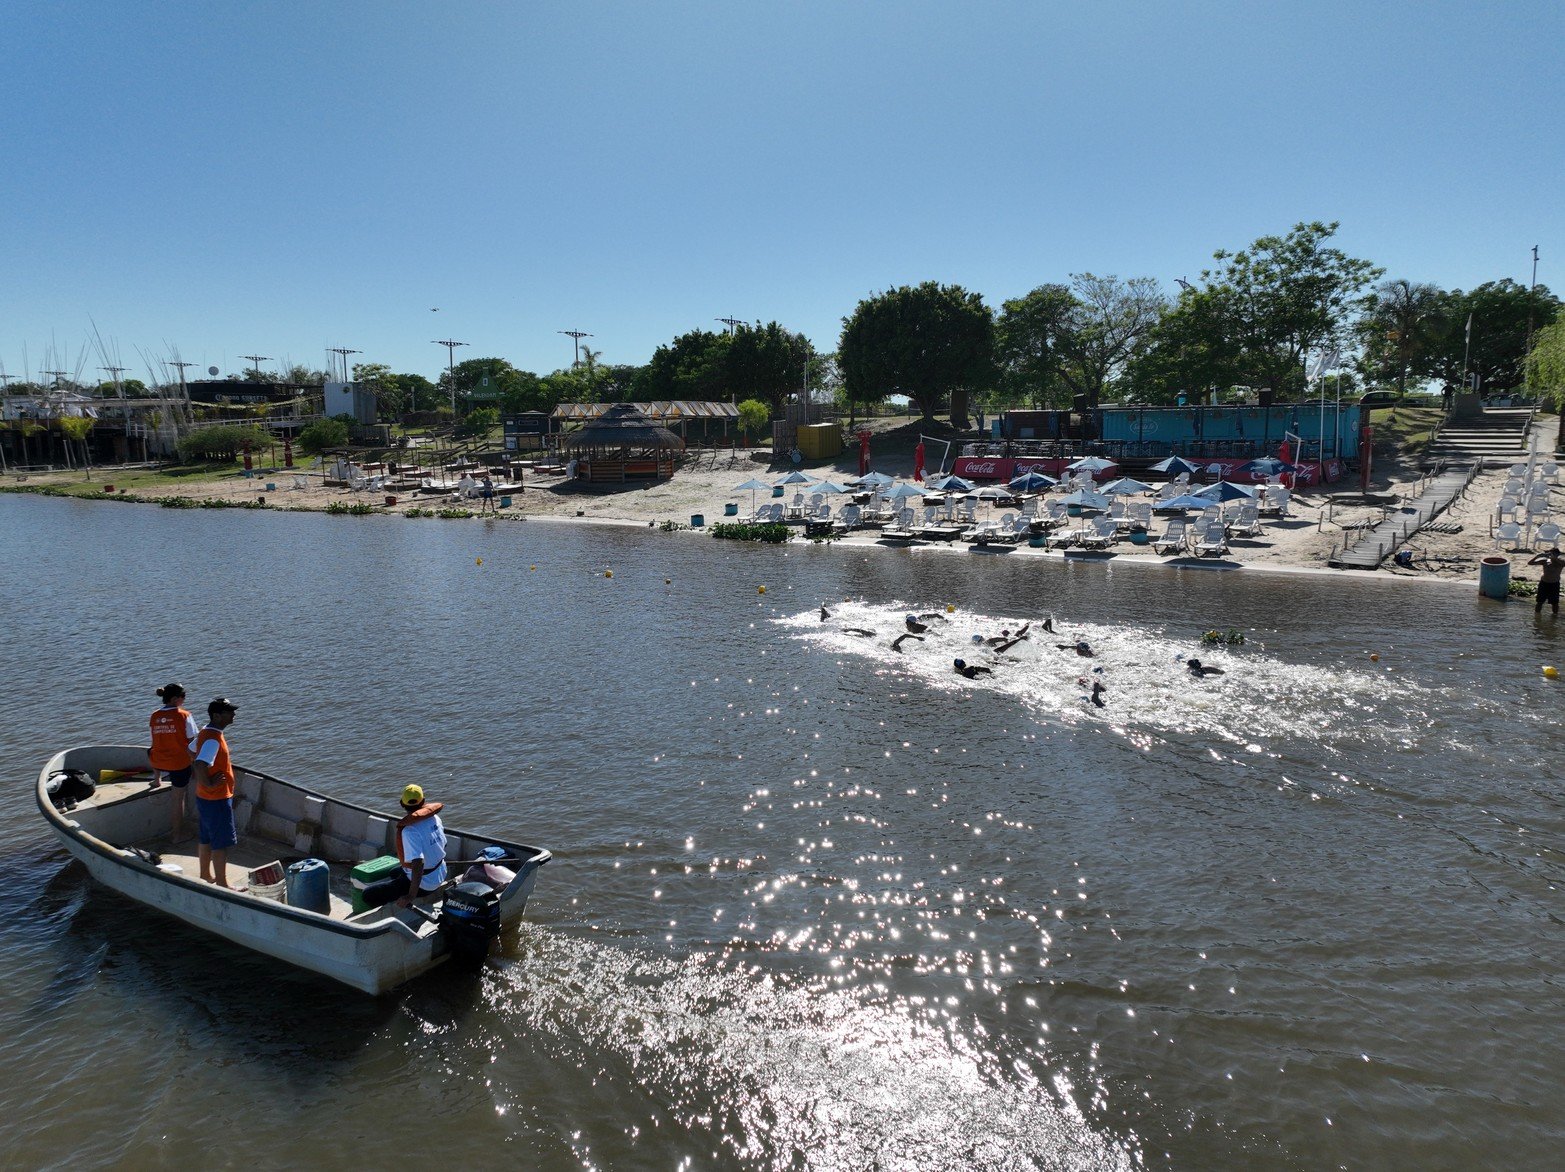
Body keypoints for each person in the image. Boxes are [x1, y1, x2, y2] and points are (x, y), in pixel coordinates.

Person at [363, 784, 449, 910]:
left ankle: (386, 912)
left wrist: (410, 896)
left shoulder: (409, 831)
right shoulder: (435, 818)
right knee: (394, 872)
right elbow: (443, 844)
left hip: (425, 885)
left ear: (402, 804)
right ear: (423, 801)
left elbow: (418, 864)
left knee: (368, 895)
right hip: (441, 873)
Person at [190, 697, 240, 888]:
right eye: (229, 712)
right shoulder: (213, 739)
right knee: (221, 842)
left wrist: (203, 783)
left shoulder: (206, 732)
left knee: (206, 837)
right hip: (217, 798)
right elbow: (200, 762)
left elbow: (190, 749)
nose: (233, 714)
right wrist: (209, 782)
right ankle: (222, 883)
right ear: (217, 716)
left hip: (204, 797)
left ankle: (205, 874)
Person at [149, 683, 199, 840]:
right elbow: (193, 742)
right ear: (175, 699)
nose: (185, 699)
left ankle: (156, 779)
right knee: (178, 800)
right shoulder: (184, 715)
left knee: (151, 750)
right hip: (178, 763)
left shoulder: (154, 715)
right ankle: (177, 835)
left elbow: (155, 739)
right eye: (183, 697)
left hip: (158, 761)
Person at [1528, 547, 1564, 616]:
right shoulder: (1545, 561)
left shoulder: (1561, 562)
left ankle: (1554, 616)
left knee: (1555, 603)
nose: (1552, 555)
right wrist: (1537, 556)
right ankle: (1537, 616)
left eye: (1554, 554)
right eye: (1551, 554)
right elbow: (1530, 563)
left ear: (1558, 555)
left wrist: (1555, 558)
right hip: (1544, 583)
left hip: (1554, 584)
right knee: (1539, 602)